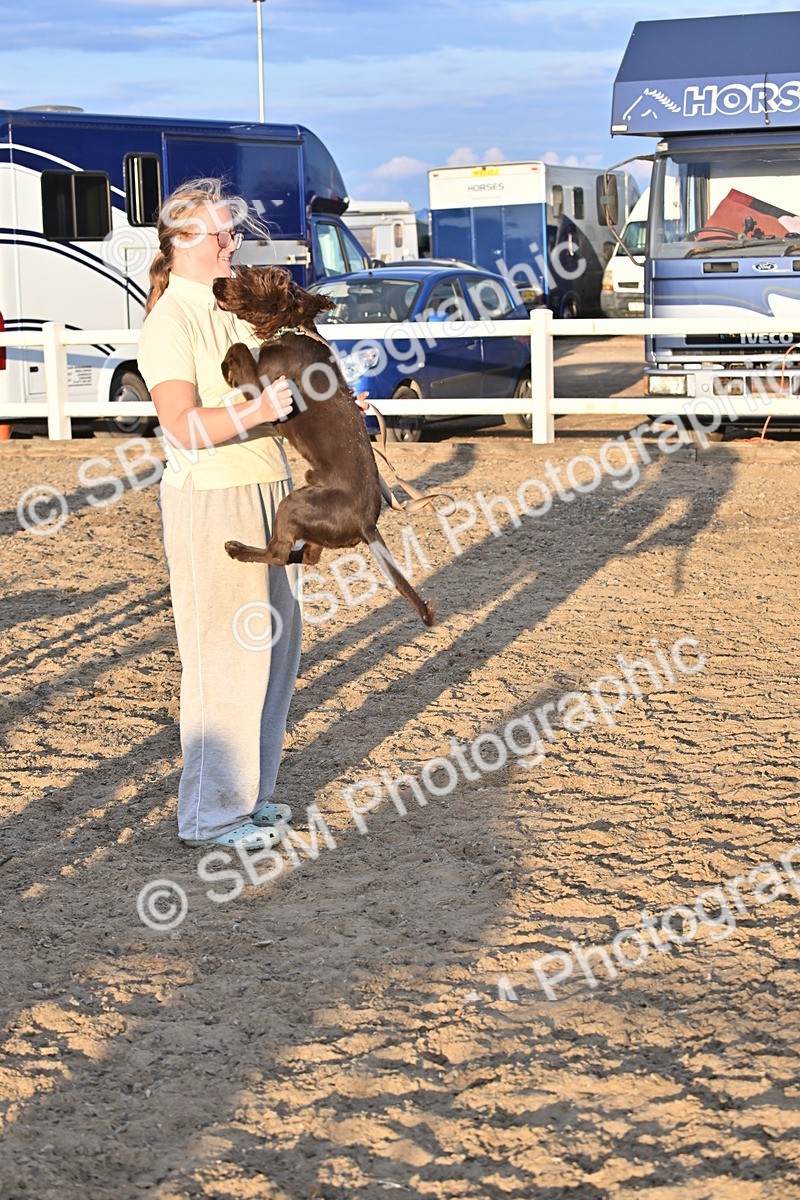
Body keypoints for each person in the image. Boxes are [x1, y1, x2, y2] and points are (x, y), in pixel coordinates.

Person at [137, 177, 303, 851]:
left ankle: (249, 799)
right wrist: (259, 411)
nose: (232, 242)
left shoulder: (230, 309)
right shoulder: (170, 322)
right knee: (226, 659)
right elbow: (181, 425)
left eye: (231, 231)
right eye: (219, 233)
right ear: (181, 241)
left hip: (271, 493)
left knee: (274, 654)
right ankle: (209, 818)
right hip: (215, 503)